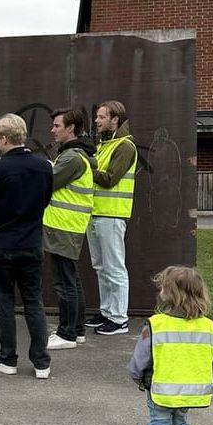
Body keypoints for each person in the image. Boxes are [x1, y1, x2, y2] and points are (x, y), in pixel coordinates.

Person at [127, 266, 213, 425]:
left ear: (168, 293)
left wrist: (137, 376)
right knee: (180, 423)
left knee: (159, 424)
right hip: (191, 390)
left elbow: (141, 358)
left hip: (161, 388)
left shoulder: (157, 323)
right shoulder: (207, 326)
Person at [0, 113, 53, 379]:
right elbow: (45, 199)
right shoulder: (44, 166)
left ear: (5, 138)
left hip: (1, 243)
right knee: (34, 300)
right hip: (31, 242)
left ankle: (8, 358)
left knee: (4, 302)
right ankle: (41, 362)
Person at [43, 108, 96, 350]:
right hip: (67, 226)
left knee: (64, 283)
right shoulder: (74, 155)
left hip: (63, 226)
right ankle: (77, 330)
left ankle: (67, 334)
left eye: (57, 126)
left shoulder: (72, 158)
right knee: (71, 280)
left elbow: (48, 182)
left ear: (71, 128)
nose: (53, 130)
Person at [86, 100, 137, 336]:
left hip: (112, 214)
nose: (96, 121)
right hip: (96, 213)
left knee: (114, 267)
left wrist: (84, 166)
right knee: (101, 267)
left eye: (101, 117)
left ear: (115, 119)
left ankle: (119, 319)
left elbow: (109, 178)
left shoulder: (125, 146)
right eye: (97, 117)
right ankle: (107, 312)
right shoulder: (105, 144)